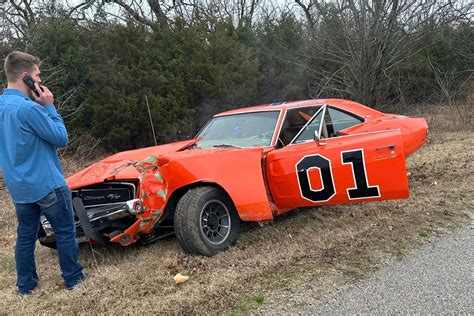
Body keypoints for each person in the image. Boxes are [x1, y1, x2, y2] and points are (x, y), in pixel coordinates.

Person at [0, 51, 85, 295]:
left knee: (25, 236)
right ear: (25, 76)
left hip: (19, 188)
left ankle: (26, 286)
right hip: (47, 184)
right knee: (65, 231)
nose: (40, 80)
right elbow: (61, 139)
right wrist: (49, 107)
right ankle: (73, 278)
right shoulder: (30, 110)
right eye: (38, 76)